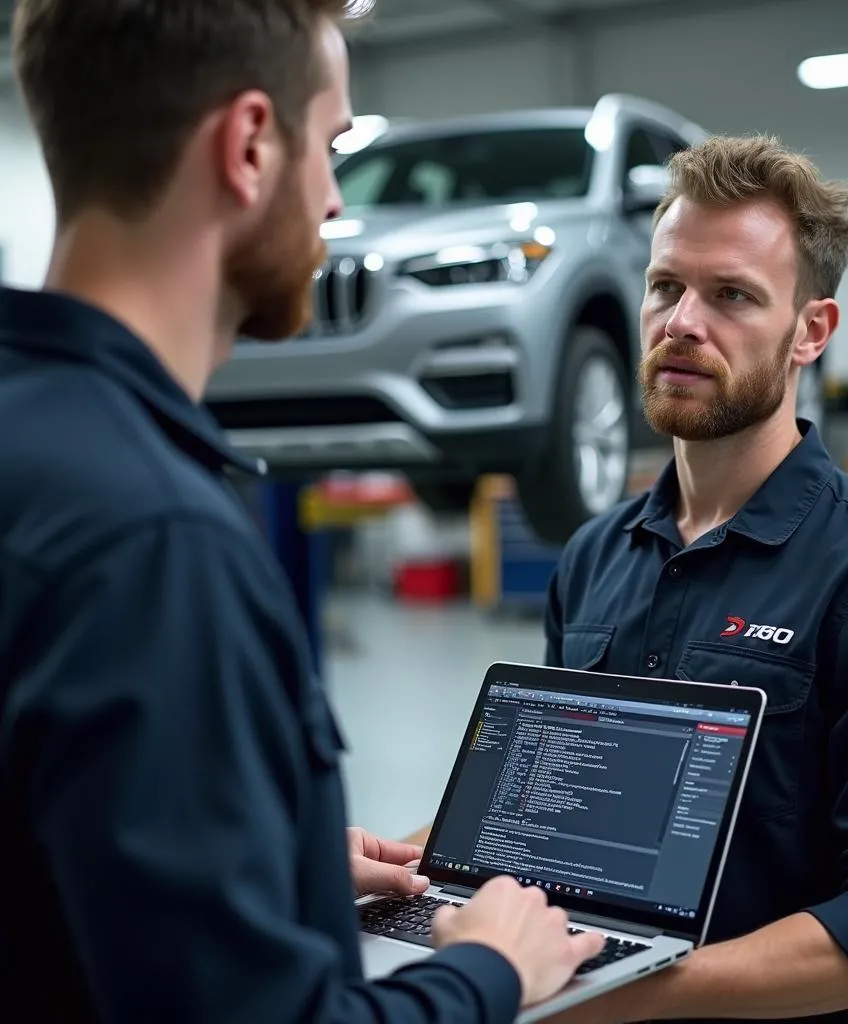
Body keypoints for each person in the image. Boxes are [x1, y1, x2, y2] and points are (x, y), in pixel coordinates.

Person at [0, 3, 603, 1023]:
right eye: (331, 148)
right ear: (246, 147)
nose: (335, 198)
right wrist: (486, 970)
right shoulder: (158, 540)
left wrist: (261, 857)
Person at [538, 136, 848, 1023]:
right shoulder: (594, 557)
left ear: (811, 332)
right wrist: (377, 868)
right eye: (665, 286)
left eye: (733, 296)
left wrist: (630, 995)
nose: (682, 322)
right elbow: (544, 820)